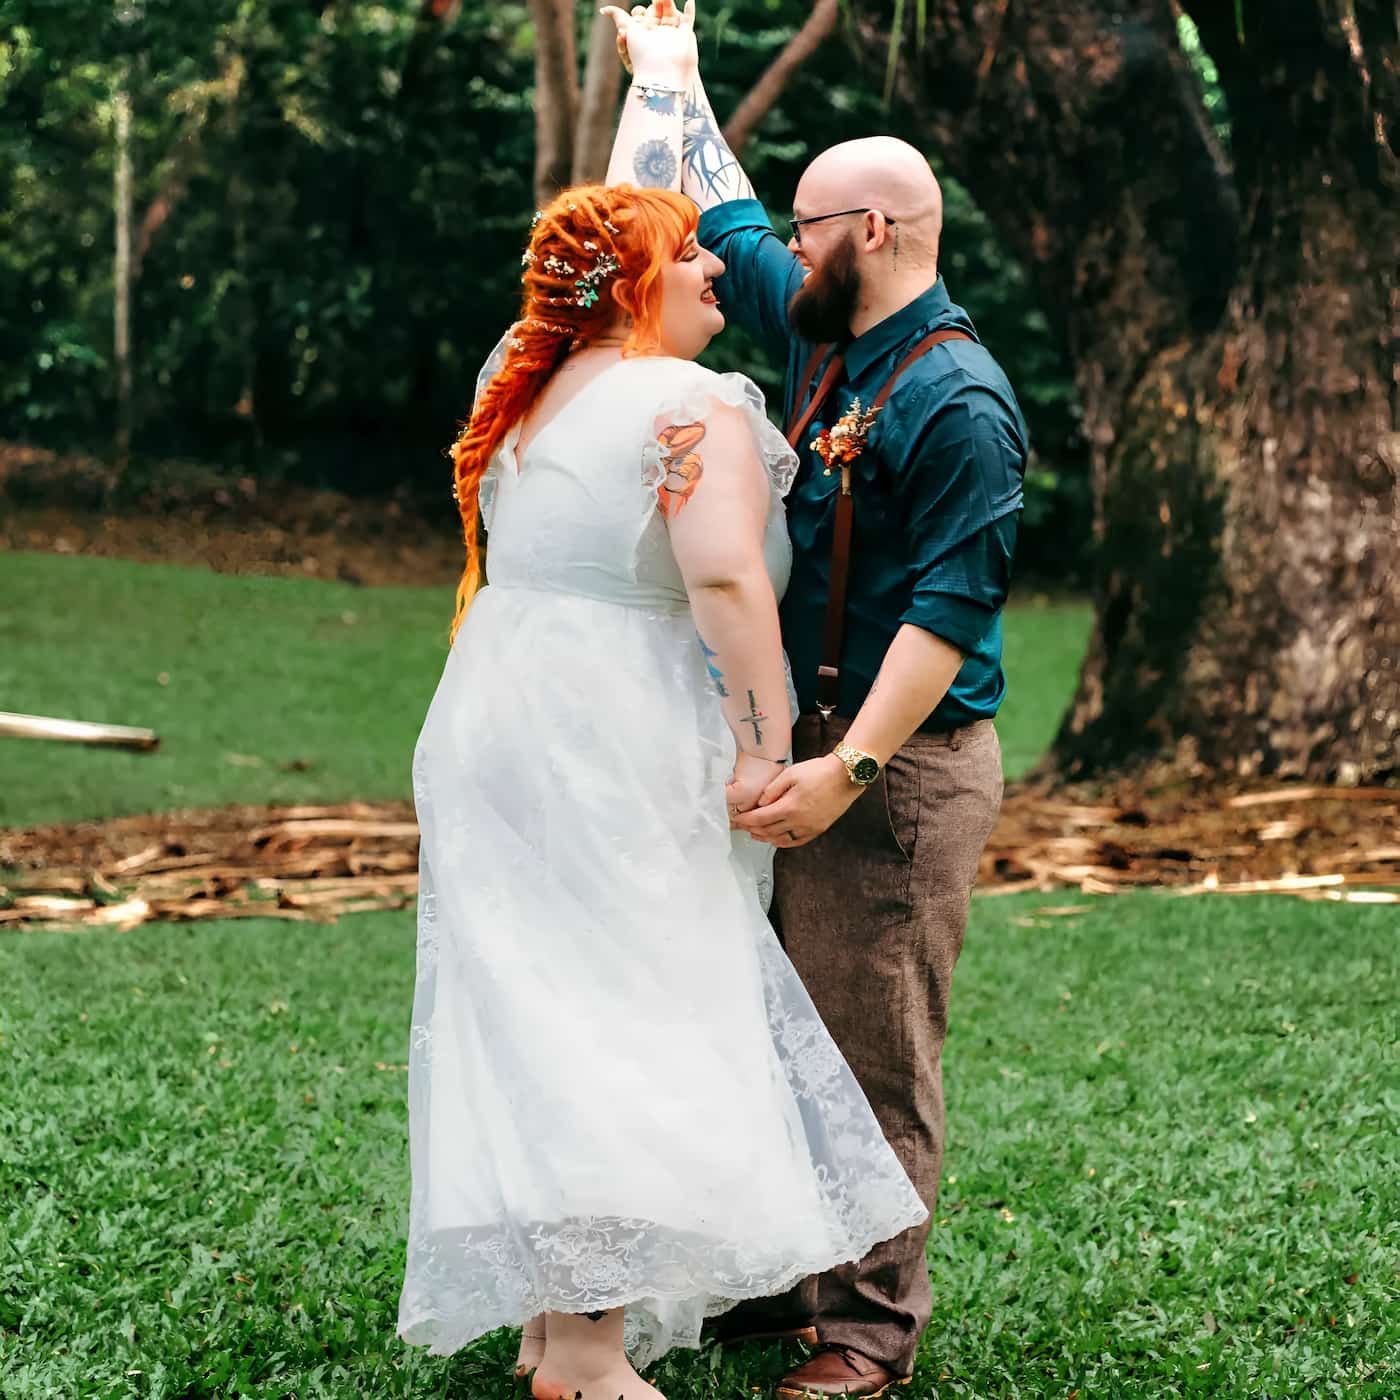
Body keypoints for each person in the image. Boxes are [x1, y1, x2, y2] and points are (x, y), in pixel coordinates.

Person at [394, 8, 927, 1399]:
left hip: (493, 710)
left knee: (520, 1004)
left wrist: (665, 84)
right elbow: (728, 589)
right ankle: (583, 1350)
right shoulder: (694, 404)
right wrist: (766, 747)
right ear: (637, 285)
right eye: (688, 255)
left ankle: (544, 1319)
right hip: (613, 728)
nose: (714, 270)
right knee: (620, 1011)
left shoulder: (525, 390)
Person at [607, 8, 1027, 1398]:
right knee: (786, 1033)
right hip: (811, 758)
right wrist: (672, 79)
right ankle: (796, 1274)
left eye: (808, 228)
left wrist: (844, 769)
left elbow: (948, 615)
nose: (781, 247)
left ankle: (866, 1331)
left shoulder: (959, 400)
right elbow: (715, 201)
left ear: (884, 232)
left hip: (899, 770)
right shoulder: (823, 328)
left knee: (873, 1049)